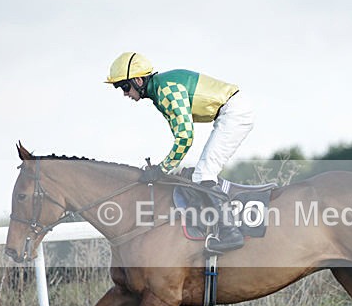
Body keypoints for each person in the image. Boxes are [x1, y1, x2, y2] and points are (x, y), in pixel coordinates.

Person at [105, 52, 254, 253]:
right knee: (200, 173)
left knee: (204, 174)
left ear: (138, 80)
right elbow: (181, 136)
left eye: (124, 86)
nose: (124, 93)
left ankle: (230, 233)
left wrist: (162, 168)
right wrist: (162, 167)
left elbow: (185, 137)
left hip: (234, 112)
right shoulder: (160, 90)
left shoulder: (165, 90)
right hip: (230, 111)